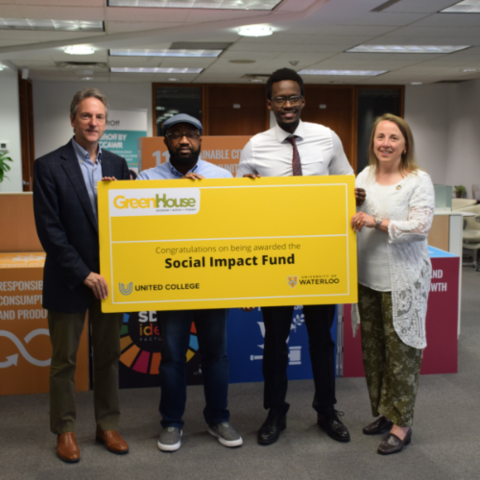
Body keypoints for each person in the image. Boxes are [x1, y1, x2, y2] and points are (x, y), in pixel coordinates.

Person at [237, 68, 365, 445]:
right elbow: (240, 200)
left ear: (303, 101)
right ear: (270, 104)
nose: (287, 104)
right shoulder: (255, 146)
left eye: (293, 98)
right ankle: (275, 413)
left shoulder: (327, 138)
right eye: (280, 98)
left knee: (321, 339)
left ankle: (326, 410)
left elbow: (348, 180)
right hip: (275, 257)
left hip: (319, 256)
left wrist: (354, 194)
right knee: (275, 341)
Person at [33, 88, 130, 463]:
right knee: (65, 362)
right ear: (73, 119)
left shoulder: (119, 166)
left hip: (109, 281)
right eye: (86, 116)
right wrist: (84, 273)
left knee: (108, 357)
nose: (93, 123)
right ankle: (66, 430)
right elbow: (50, 231)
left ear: (106, 123)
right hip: (68, 279)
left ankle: (107, 424)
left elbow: (131, 221)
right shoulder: (48, 165)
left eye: (100, 117)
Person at [137, 113, 243, 452]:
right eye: (176, 135)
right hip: (170, 281)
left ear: (201, 141)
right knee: (171, 356)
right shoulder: (147, 179)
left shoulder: (222, 177)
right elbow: (139, 229)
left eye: (191, 135)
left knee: (216, 354)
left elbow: (233, 231)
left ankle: (219, 418)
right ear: (165, 142)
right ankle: (171, 423)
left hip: (212, 279)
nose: (184, 141)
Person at [351, 113, 435, 455]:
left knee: (402, 355)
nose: (385, 143)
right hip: (366, 279)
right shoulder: (363, 176)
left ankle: (402, 425)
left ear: (405, 144)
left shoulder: (418, 180)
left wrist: (378, 222)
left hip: (402, 283)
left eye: (393, 138)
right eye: (380, 137)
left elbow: (420, 227)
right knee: (374, 354)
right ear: (373, 142)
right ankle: (386, 414)